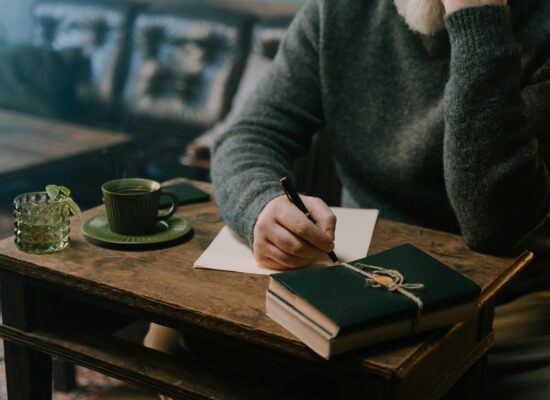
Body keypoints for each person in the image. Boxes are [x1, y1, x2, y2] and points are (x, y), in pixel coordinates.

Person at [146, 0, 550, 398]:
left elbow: (493, 225)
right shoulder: (338, 11)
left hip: (505, 293)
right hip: (360, 274)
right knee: (175, 340)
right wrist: (261, 204)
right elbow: (249, 133)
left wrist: (477, 22)